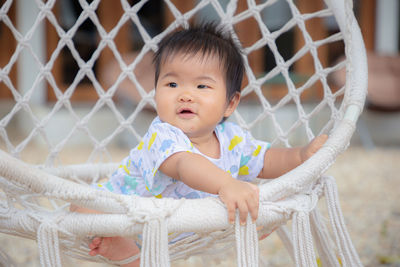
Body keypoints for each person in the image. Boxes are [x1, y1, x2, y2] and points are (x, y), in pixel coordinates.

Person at [71, 22, 327, 267]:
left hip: (170, 230)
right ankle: (126, 252)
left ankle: (134, 255)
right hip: (121, 213)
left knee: (258, 199)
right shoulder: (163, 135)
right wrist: (228, 184)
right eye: (172, 84)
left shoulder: (233, 139)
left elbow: (267, 160)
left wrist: (302, 156)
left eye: (202, 86)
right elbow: (184, 164)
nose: (185, 94)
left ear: (230, 103)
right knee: (81, 205)